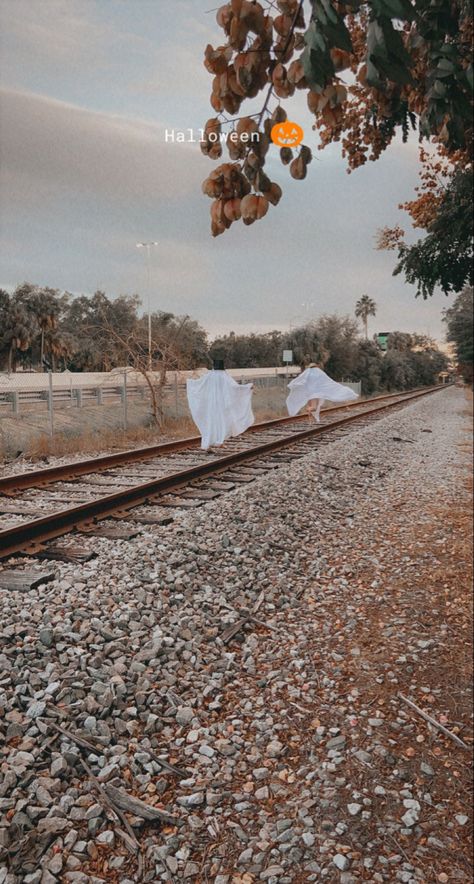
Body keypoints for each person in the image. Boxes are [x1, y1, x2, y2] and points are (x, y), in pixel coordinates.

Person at [186, 359, 254, 449]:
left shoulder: (209, 376)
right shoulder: (224, 376)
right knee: (222, 422)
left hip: (211, 406)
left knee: (211, 422)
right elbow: (235, 387)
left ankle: (211, 442)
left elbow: (199, 385)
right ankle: (219, 441)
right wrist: (247, 387)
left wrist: (190, 383)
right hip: (222, 405)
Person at [286, 362, 358, 422]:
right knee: (314, 407)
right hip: (315, 394)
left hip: (308, 394)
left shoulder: (307, 373)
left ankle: (310, 419)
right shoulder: (318, 373)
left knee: (312, 407)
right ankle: (308, 412)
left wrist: (294, 385)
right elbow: (327, 381)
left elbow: (301, 380)